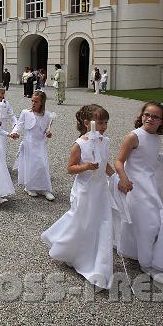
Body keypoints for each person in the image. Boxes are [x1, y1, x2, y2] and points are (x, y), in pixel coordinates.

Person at [111, 101, 163, 285]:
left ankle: (138, 253)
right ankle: (148, 264)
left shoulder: (155, 138)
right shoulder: (133, 136)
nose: (150, 119)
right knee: (152, 222)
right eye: (147, 114)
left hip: (149, 186)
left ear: (162, 121)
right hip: (134, 186)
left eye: (155, 117)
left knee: (147, 222)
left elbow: (151, 158)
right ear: (141, 115)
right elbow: (119, 161)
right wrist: (123, 178)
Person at [41, 104, 115, 289]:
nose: (104, 126)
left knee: (102, 222)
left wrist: (116, 177)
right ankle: (66, 248)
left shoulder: (104, 141)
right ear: (87, 123)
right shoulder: (80, 144)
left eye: (106, 122)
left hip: (101, 190)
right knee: (80, 221)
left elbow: (105, 164)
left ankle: (98, 263)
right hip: (84, 189)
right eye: (100, 122)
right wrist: (86, 167)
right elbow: (70, 168)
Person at [10, 90, 55, 200]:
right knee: (30, 165)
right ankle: (29, 186)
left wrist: (48, 133)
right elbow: (19, 125)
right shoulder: (26, 113)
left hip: (41, 143)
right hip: (29, 143)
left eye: (36, 101)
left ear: (42, 102)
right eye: (32, 101)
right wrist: (15, 132)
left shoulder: (48, 115)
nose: (33, 103)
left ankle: (45, 188)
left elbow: (46, 130)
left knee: (42, 165)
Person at [0, 84, 17, 160]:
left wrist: (15, 124)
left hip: (3, 126)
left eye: (2, 93)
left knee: (1, 144)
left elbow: (12, 115)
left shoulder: (6, 103)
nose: (0, 95)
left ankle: (1, 161)